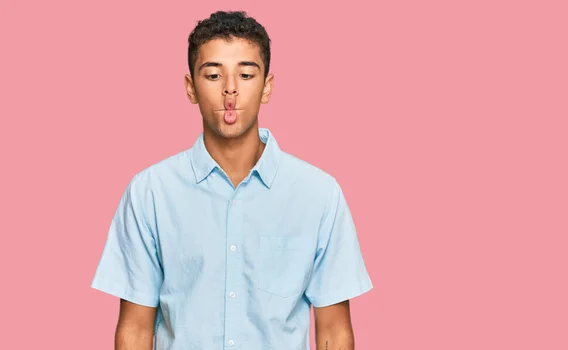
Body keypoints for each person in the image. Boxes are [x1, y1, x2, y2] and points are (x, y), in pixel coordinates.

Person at [91, 10, 373, 350]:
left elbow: (333, 330)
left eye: (246, 74)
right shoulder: (149, 193)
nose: (230, 90)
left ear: (267, 86)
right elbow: (135, 329)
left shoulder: (319, 194)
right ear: (190, 87)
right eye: (212, 75)